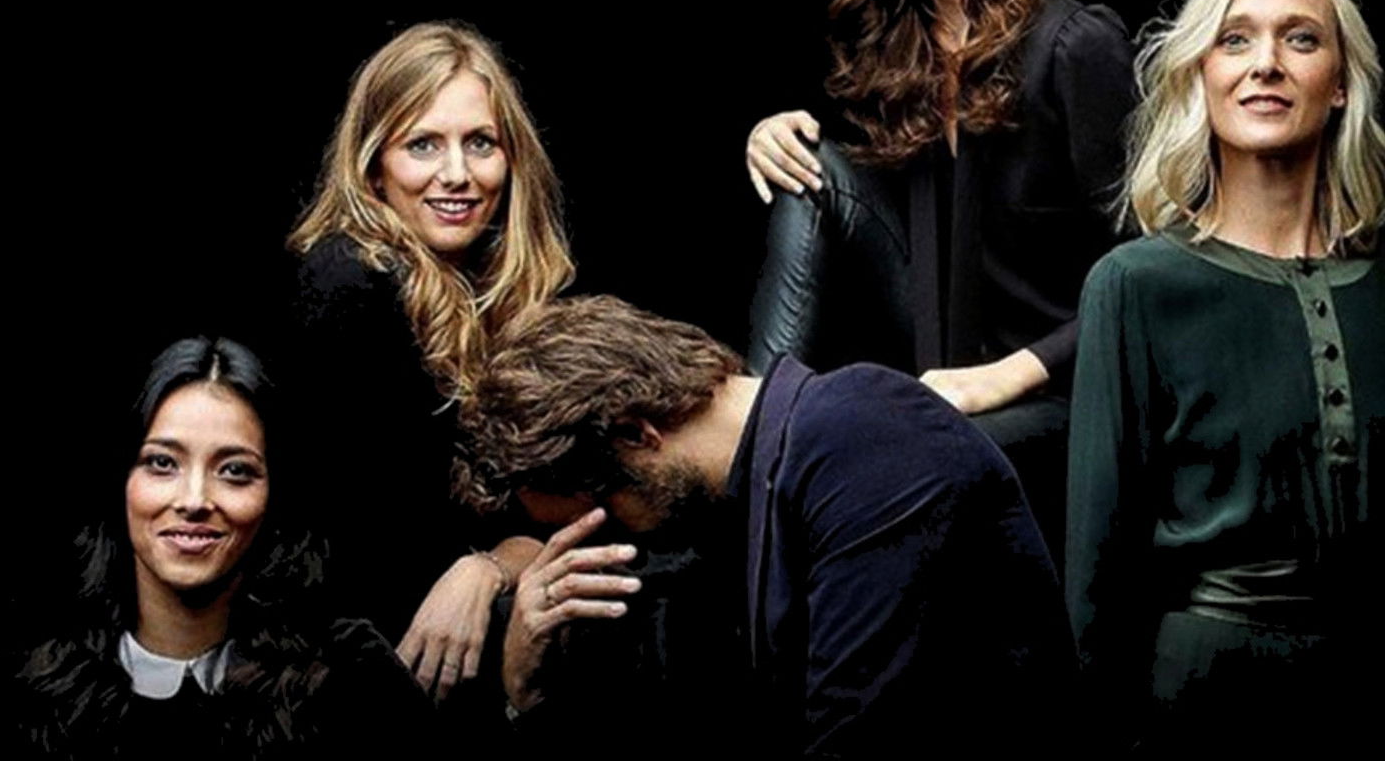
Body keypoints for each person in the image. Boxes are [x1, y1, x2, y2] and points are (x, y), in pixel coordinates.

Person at [744, 0, 1136, 555]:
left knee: (898, 461)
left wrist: (1008, 375)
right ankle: (755, 430)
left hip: (1057, 389)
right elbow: (870, 211)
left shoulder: (1077, 46)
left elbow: (1150, 273)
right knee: (810, 165)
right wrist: (771, 134)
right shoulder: (899, 34)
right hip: (939, 357)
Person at [455, 295, 1075, 755]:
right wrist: (528, 697)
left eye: (605, 511)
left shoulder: (864, 436)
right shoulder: (748, 504)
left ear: (637, 434)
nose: (619, 543)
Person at [1068, 0, 1383, 752]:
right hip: (1203, 703)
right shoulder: (1136, 286)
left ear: (1340, 84)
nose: (1265, 63)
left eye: (1300, 39)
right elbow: (1096, 580)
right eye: (1235, 39)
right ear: (1201, 74)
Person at [285, 21, 573, 699]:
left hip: (467, 656)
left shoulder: (507, 301)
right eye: (422, 144)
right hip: (362, 669)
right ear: (373, 167)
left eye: (480, 143)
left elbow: (560, 523)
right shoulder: (346, 281)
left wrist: (486, 569)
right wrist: (494, 564)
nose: (458, 175)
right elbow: (373, 545)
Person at [21, 336, 428, 757]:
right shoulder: (35, 680)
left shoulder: (349, 676)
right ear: (120, 480)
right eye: (162, 463)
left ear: (275, 494)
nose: (194, 500)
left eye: (234, 471)